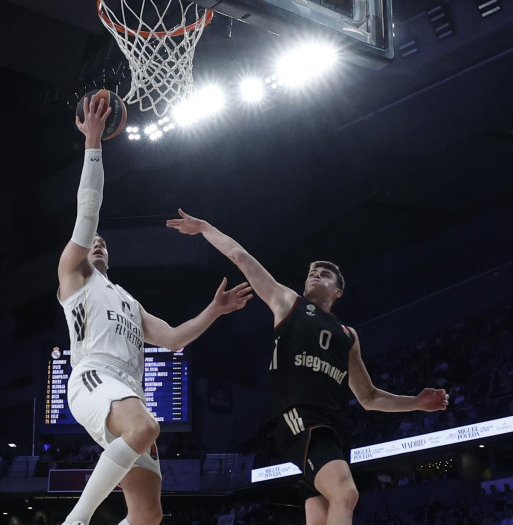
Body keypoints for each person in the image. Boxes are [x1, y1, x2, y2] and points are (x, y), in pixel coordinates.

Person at [166, 210, 449, 525]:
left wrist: (417, 403)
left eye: (325, 274)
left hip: (333, 429)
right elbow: (241, 258)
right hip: (300, 419)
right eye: (313, 271)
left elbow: (368, 397)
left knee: (324, 513)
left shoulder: (348, 335)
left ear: (338, 292)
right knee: (346, 493)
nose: (316, 274)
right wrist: (205, 228)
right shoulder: (288, 302)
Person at [57, 98, 254, 525]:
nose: (97, 243)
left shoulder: (128, 301)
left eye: (103, 243)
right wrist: (94, 141)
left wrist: (215, 311)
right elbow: (88, 210)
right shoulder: (74, 275)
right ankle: (76, 521)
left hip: (127, 390)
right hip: (95, 375)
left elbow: (175, 338)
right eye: (91, 241)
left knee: (148, 516)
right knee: (145, 428)